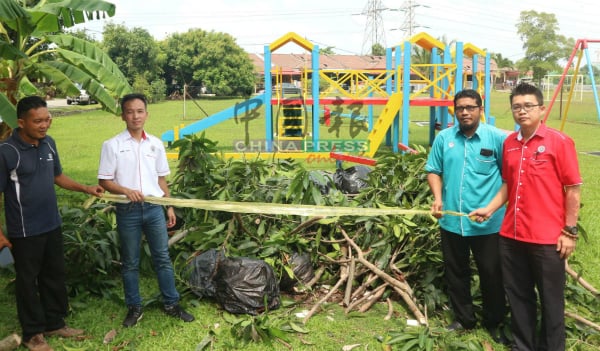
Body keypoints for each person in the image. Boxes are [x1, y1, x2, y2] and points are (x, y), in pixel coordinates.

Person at [470, 83, 582, 351]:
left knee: (551, 300)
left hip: (547, 238)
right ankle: (524, 345)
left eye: (528, 106)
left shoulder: (559, 142)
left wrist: (570, 230)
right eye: (517, 107)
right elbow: (508, 184)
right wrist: (490, 208)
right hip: (511, 235)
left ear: (542, 109)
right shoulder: (509, 143)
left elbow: (573, 189)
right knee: (518, 296)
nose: (522, 111)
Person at [0, 96, 104, 351]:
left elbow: (57, 176)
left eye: (47, 119)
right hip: (24, 230)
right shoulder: (6, 152)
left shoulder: (49, 144)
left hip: (51, 223)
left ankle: (54, 322)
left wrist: (85, 188)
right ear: (21, 122)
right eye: (38, 121)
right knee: (27, 281)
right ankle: (32, 334)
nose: (45, 125)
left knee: (54, 275)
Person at [97, 93, 194, 327]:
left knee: (162, 257)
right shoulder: (112, 145)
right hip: (127, 210)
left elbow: (161, 180)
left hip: (153, 208)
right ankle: (134, 307)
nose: (135, 116)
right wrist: (125, 190)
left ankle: (171, 303)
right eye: (130, 111)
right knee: (130, 261)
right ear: (123, 116)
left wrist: (169, 206)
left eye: (140, 111)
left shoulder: (155, 144)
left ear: (146, 114)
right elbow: (104, 181)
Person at [425, 89, 508, 344]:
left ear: (480, 109)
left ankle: (494, 322)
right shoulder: (445, 138)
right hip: (451, 221)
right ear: (454, 110)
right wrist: (438, 198)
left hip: (488, 223)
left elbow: (509, 180)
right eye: (460, 107)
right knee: (456, 272)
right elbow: (433, 170)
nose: (465, 112)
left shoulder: (497, 139)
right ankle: (464, 319)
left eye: (470, 107)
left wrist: (492, 208)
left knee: (492, 274)